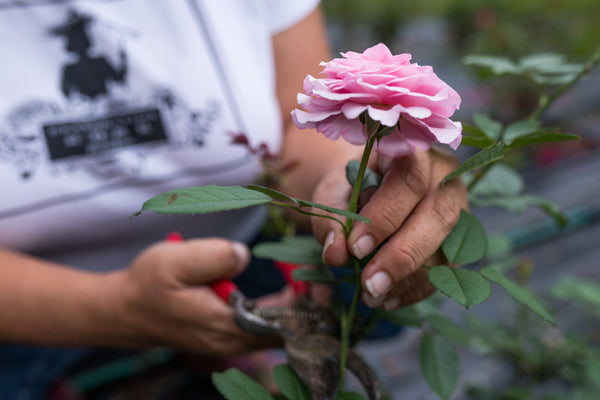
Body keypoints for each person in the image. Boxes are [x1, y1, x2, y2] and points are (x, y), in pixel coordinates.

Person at [0, 0, 467, 398]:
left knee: (368, 284)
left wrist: (347, 185)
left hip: (239, 252)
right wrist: (114, 309)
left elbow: (297, 125)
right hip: (23, 298)